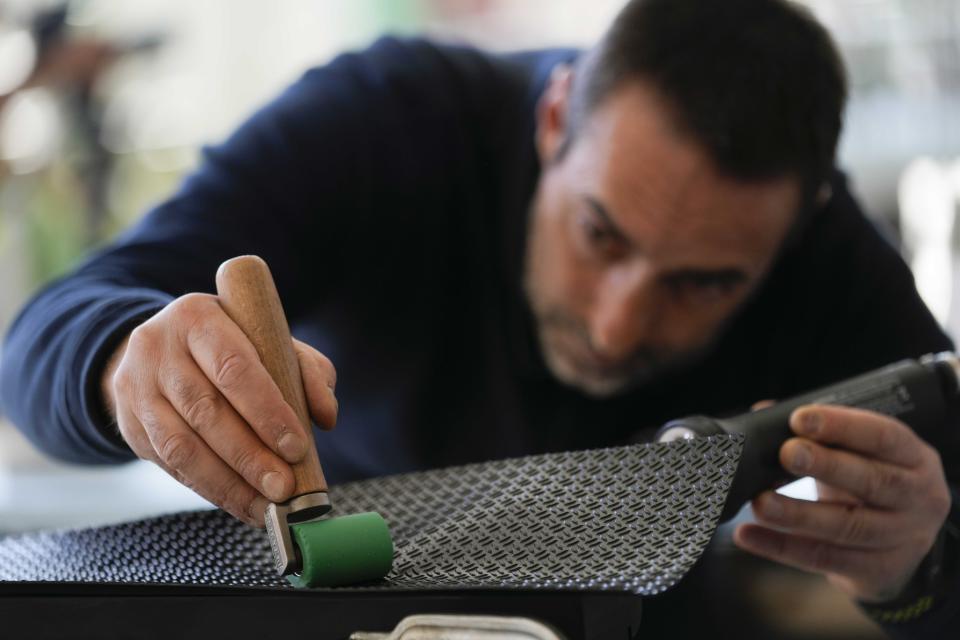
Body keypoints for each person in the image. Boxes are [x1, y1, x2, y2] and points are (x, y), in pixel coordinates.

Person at [1, 0, 957, 636]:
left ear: (798, 229)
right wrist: (122, 360)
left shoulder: (828, 256)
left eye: (703, 283)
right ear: (552, 122)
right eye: (600, 234)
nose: (619, 325)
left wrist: (915, 572)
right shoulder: (387, 117)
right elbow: (41, 337)